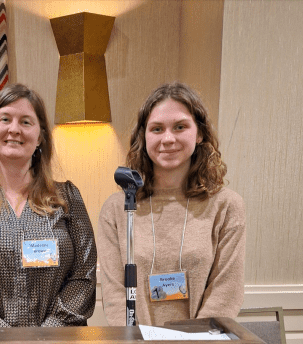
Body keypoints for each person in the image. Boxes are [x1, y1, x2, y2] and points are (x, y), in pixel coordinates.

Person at [0, 83, 96, 327]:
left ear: (40, 135)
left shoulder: (68, 198)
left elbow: (84, 273)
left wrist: (50, 330)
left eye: (25, 122)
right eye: (5, 119)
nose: (14, 129)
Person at [98, 82, 245, 327]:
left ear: (199, 134)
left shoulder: (226, 206)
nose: (168, 138)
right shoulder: (117, 209)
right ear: (143, 136)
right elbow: (115, 296)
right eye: (157, 129)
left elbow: (226, 291)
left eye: (180, 127)